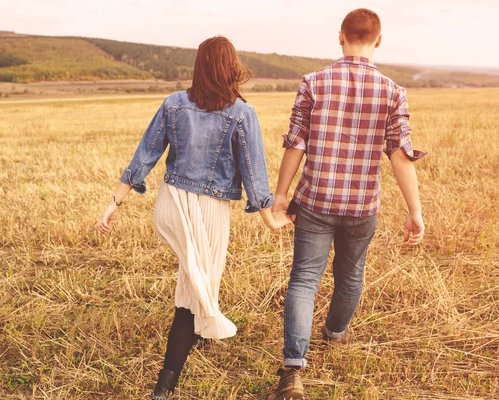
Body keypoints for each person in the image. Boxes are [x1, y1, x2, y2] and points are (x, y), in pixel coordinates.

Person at [96, 36, 292, 399]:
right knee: (193, 288)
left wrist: (115, 202)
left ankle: (198, 334)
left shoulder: (174, 103)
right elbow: (254, 171)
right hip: (209, 208)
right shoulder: (241, 112)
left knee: (197, 275)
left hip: (170, 203)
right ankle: (164, 385)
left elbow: (145, 155)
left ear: (199, 66)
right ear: (232, 67)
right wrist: (269, 217)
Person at [269, 9, 427, 400]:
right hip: (362, 206)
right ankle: (334, 333)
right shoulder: (393, 92)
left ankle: (292, 372)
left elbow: (296, 143)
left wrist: (281, 193)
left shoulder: (313, 82)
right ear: (378, 40)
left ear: (341, 37)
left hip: (316, 200)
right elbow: (399, 155)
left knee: (305, 279)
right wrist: (415, 211)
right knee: (351, 276)